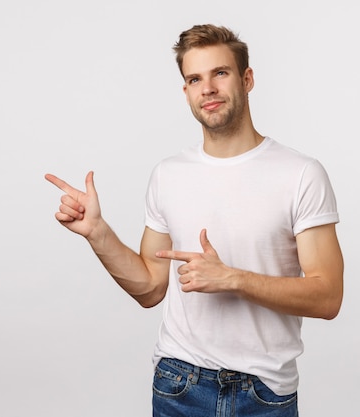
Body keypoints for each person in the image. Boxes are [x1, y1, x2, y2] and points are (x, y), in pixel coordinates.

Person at [45, 24, 343, 417]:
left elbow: (328, 296)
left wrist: (232, 278)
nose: (208, 89)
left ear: (247, 79)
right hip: (179, 385)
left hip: (265, 392)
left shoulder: (300, 173)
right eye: (194, 79)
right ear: (185, 91)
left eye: (220, 73)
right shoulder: (169, 174)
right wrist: (97, 234)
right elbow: (151, 288)